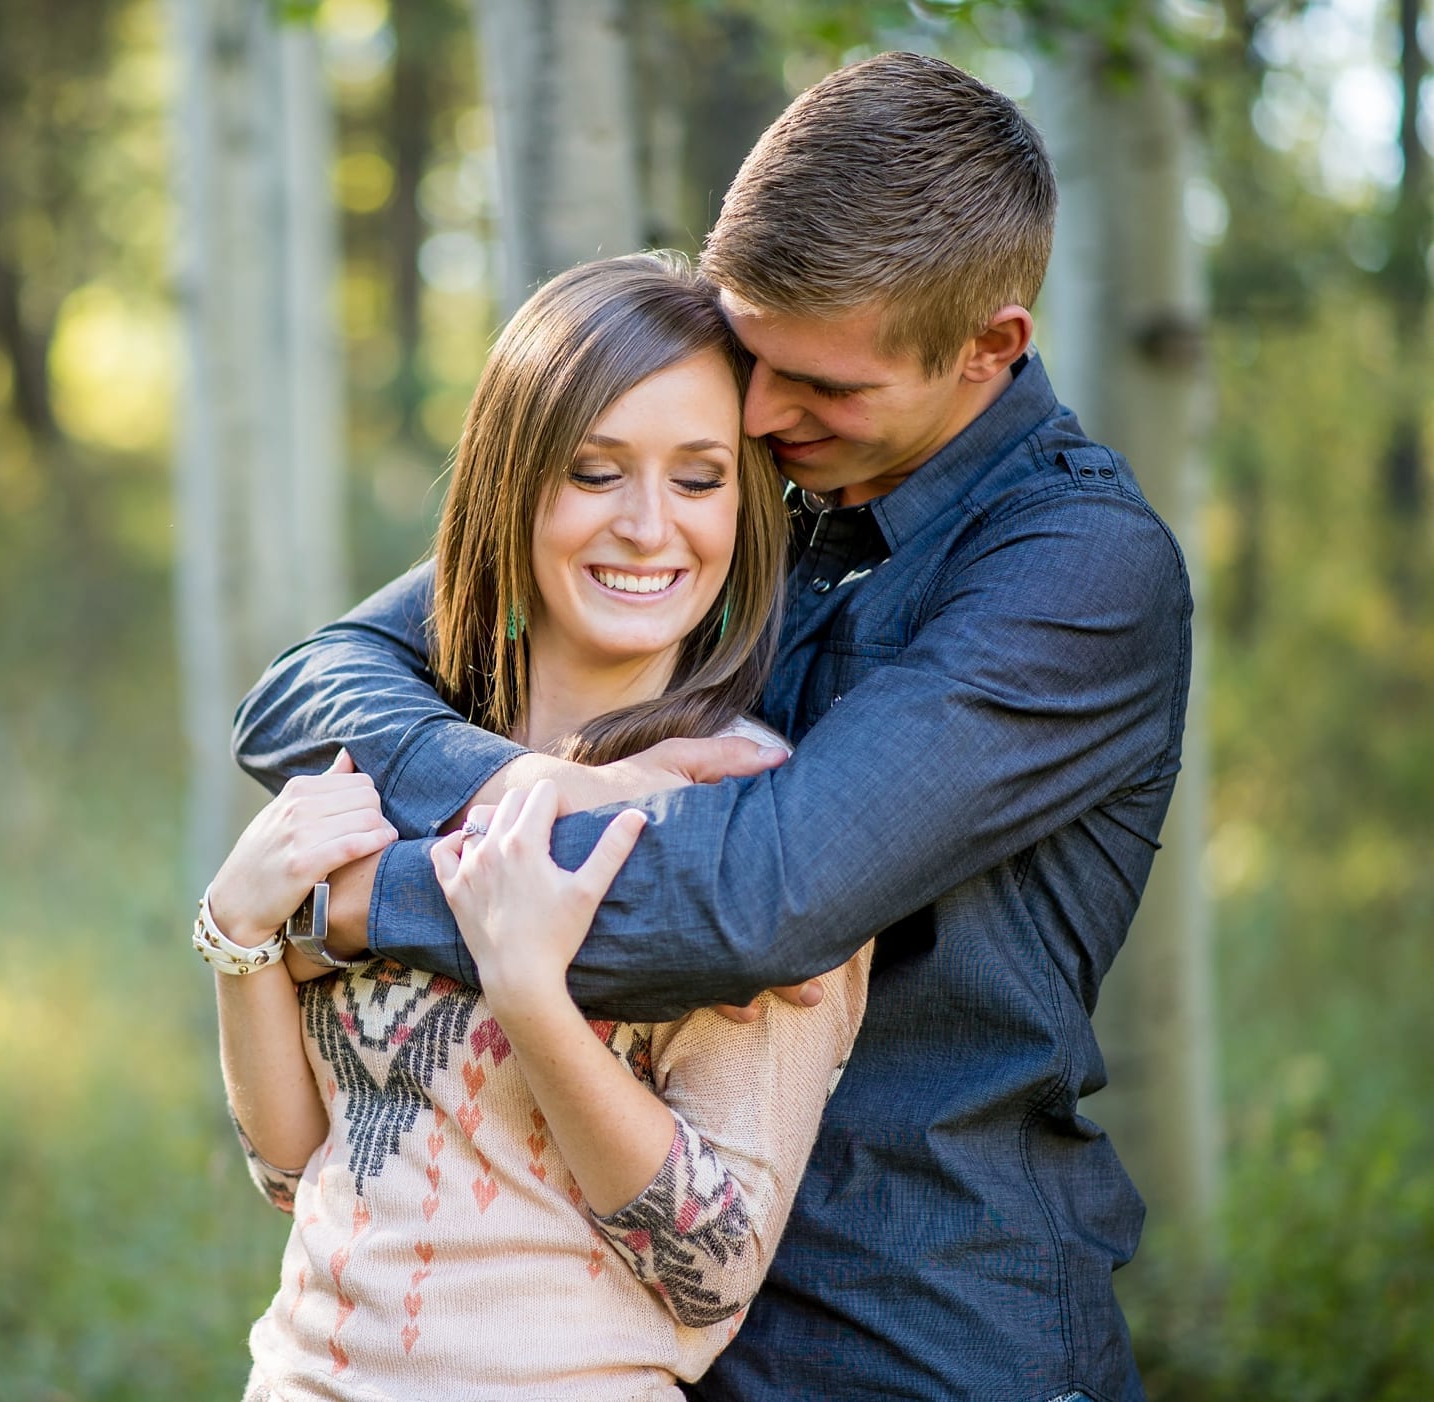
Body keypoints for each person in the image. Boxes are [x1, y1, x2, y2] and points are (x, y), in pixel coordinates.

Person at [233, 52, 1190, 1402]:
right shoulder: (749, 480)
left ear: (992, 348)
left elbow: (752, 900)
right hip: (639, 1337)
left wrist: (356, 896)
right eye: (754, 358)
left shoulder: (1076, 570)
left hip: (913, 1335)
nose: (757, 414)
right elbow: (315, 681)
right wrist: (534, 788)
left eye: (825, 387)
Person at [199, 254, 872, 1400]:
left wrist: (533, 999)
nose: (649, 526)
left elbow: (711, 1273)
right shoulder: (402, 771)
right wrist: (239, 940)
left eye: (700, 479)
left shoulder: (751, 807)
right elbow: (297, 1168)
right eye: (595, 471)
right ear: (514, 487)